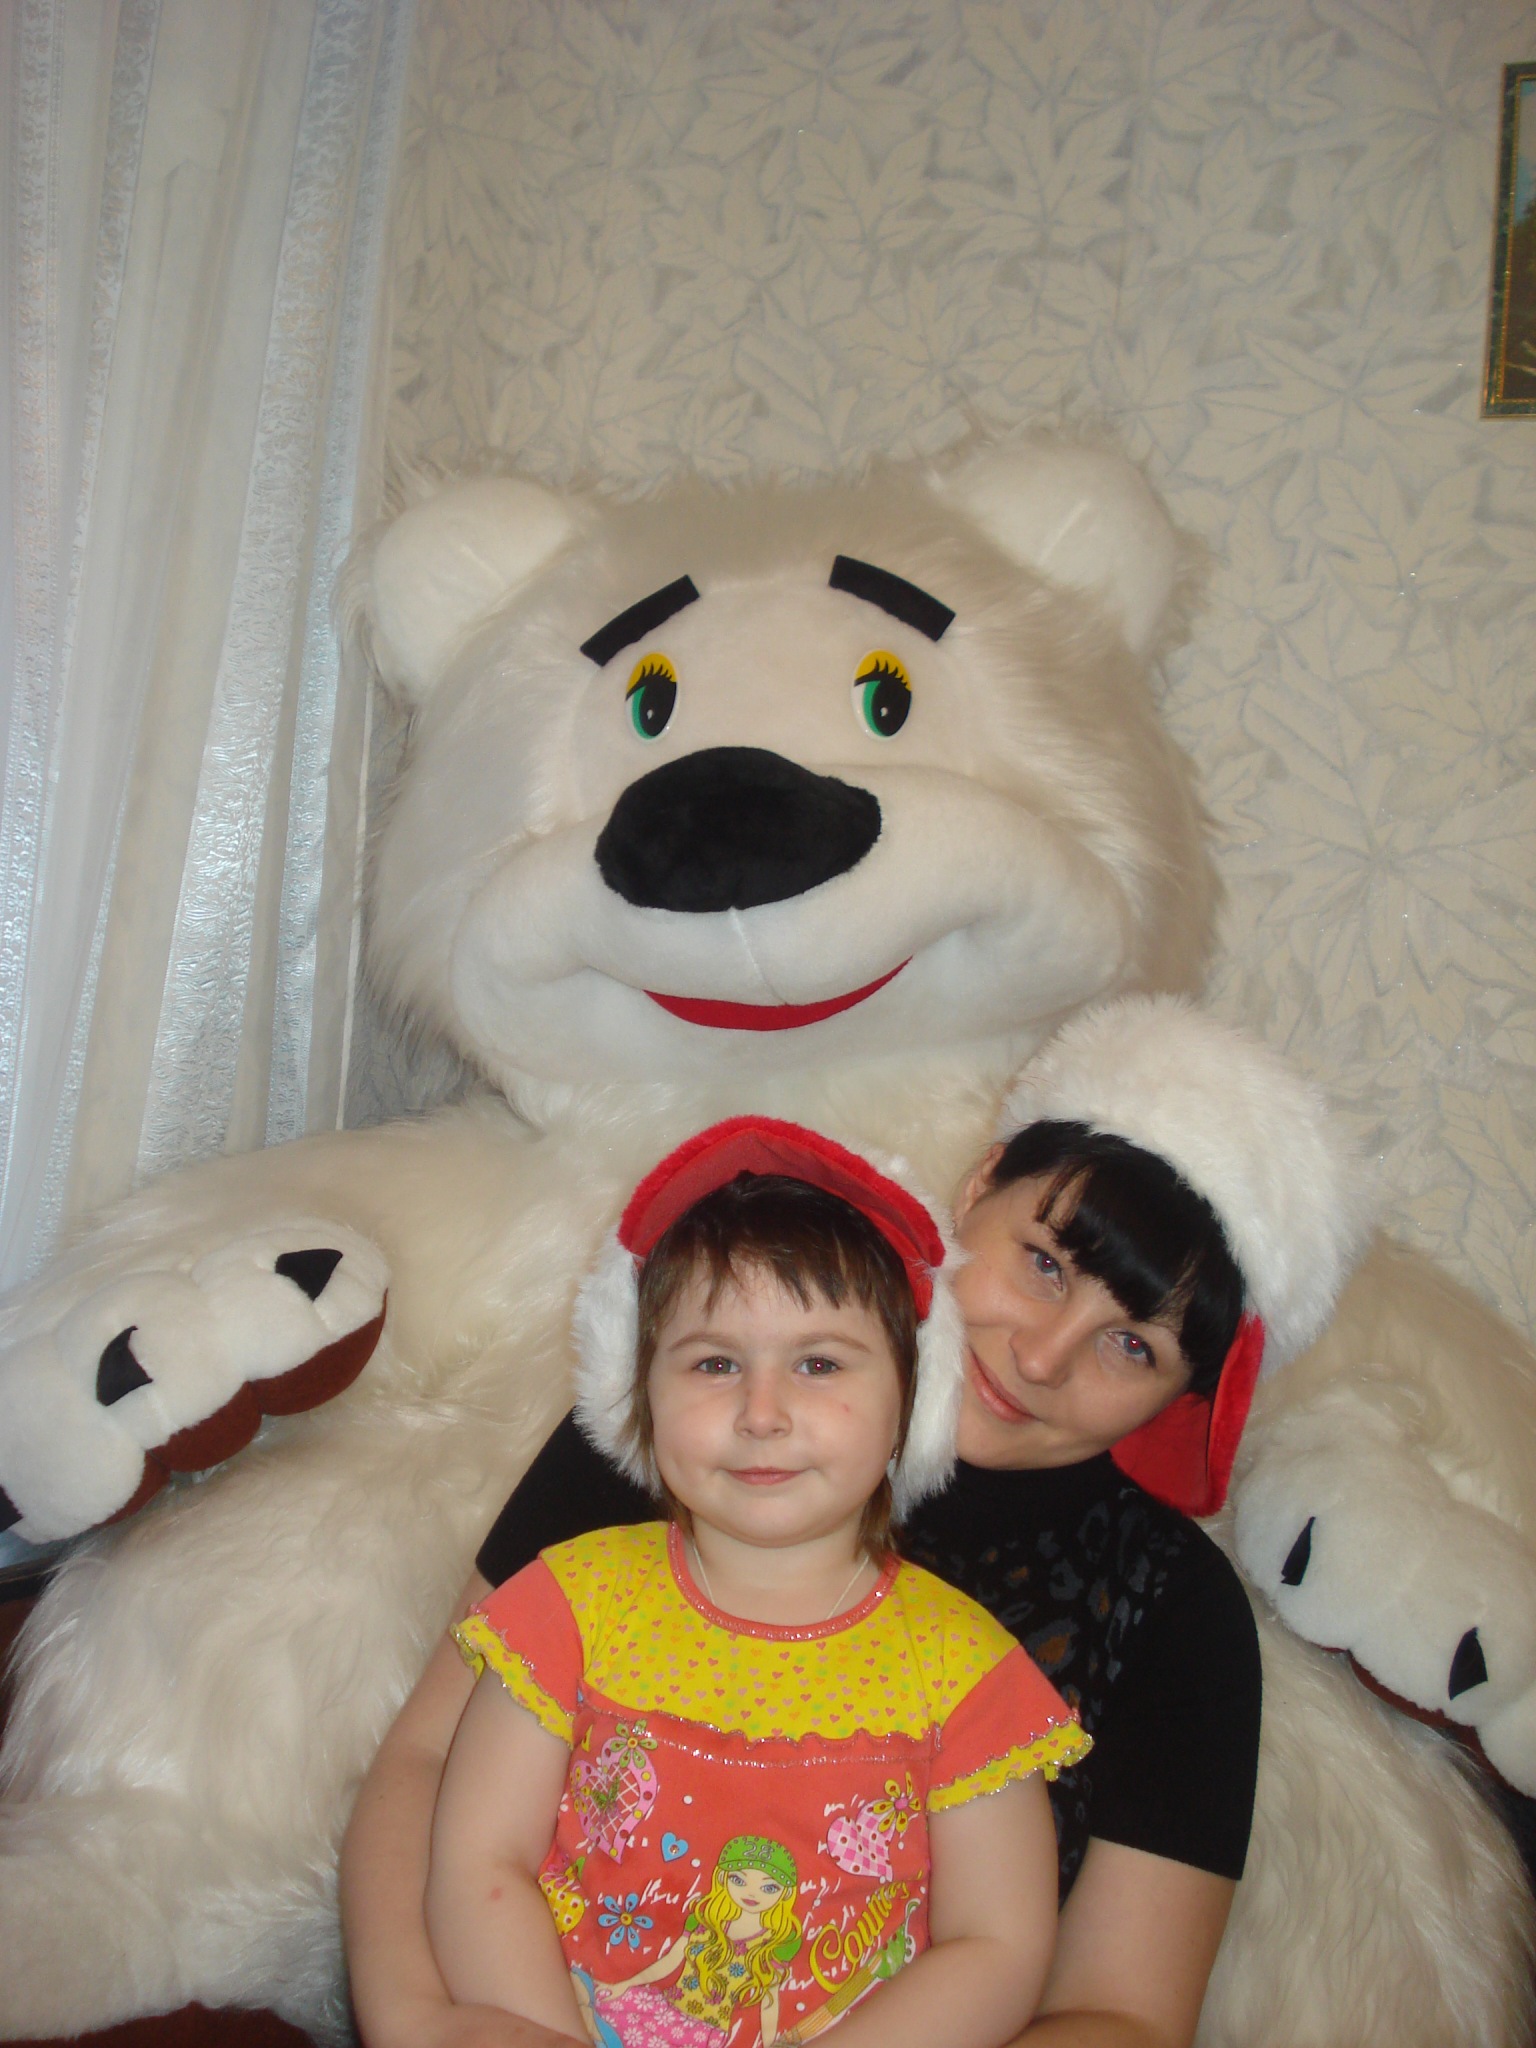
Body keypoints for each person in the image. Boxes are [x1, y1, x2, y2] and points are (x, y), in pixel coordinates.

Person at [343, 996, 1370, 2048]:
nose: (1043, 1355)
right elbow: (429, 1759)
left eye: (1133, 1345)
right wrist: (421, 2022)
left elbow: (1119, 2015)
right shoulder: (687, 1423)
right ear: (982, 1183)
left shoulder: (1173, 1608)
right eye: (1045, 1263)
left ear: (1184, 1396)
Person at [420, 1117, 1087, 2048]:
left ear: (912, 1399)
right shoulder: (565, 1606)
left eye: (818, 1363)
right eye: (715, 1363)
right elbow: (477, 1867)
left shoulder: (968, 1672)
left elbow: (999, 1948)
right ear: (639, 1392)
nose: (761, 1413)